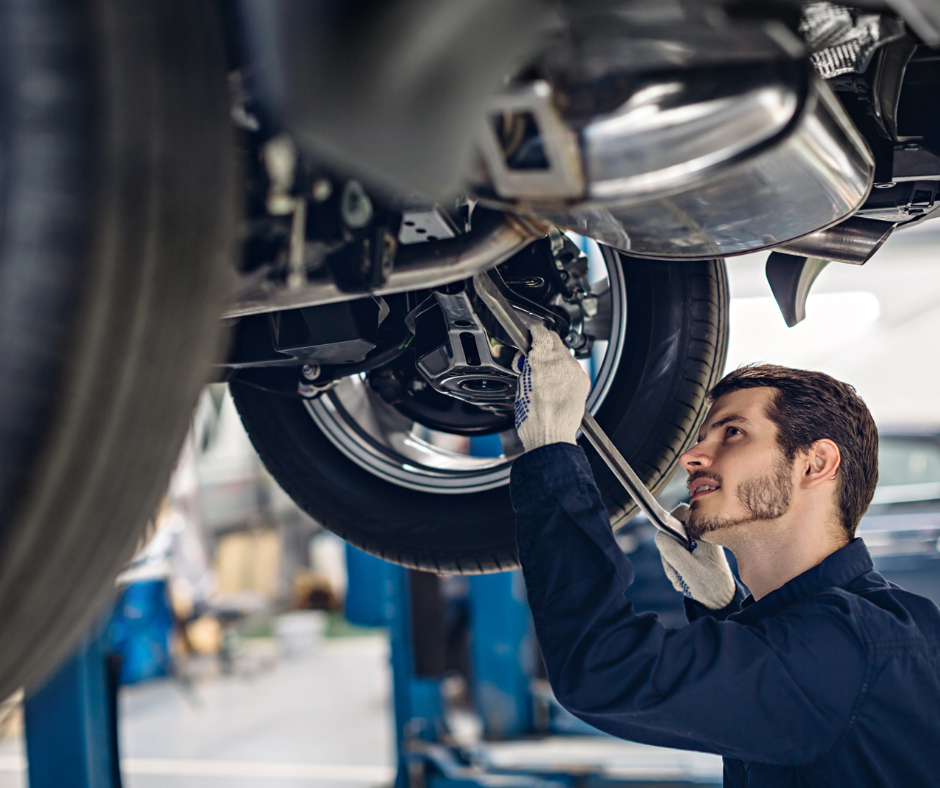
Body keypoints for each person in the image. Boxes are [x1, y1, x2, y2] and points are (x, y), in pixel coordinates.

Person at [510, 325, 940, 787]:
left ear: (816, 464)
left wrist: (552, 451)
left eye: (732, 432)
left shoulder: (844, 648)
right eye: (702, 437)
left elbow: (604, 670)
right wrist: (724, 607)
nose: (691, 456)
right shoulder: (883, 624)